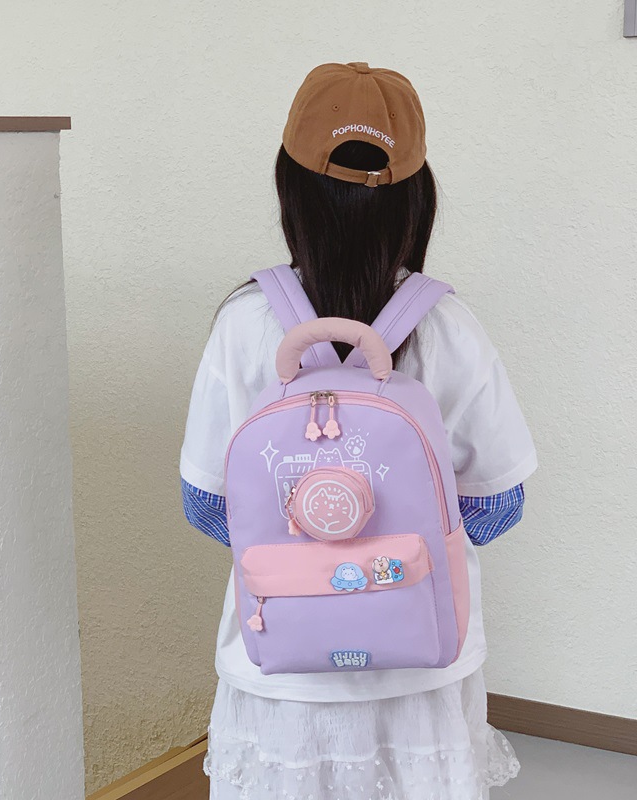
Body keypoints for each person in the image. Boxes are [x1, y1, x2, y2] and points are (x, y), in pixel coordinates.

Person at [180, 61, 537, 800]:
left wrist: (311, 555)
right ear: (417, 195)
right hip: (422, 664)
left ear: (289, 186)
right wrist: (391, 556)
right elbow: (499, 504)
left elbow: (207, 504)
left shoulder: (245, 323)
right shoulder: (446, 325)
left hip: (281, 659)